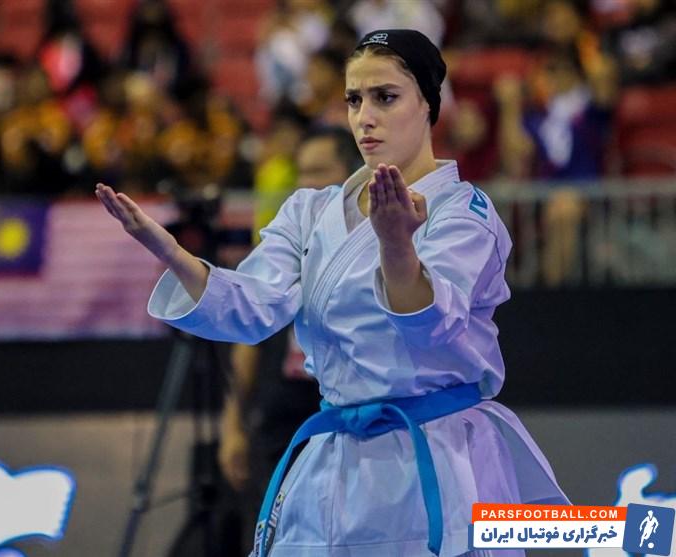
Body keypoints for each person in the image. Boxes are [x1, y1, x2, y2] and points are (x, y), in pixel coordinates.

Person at [96, 28, 569, 557]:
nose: (365, 117)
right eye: (354, 99)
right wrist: (174, 255)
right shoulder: (311, 211)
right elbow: (249, 309)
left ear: (428, 104)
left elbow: (432, 326)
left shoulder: (464, 213)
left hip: (438, 457)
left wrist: (396, 246)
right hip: (335, 460)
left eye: (385, 97)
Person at [218, 126, 363, 552]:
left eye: (318, 171)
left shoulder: (381, 241)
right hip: (283, 422)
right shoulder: (288, 241)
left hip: (352, 416)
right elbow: (248, 335)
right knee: (274, 541)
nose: (306, 183)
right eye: (301, 172)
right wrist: (232, 426)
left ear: (352, 172)